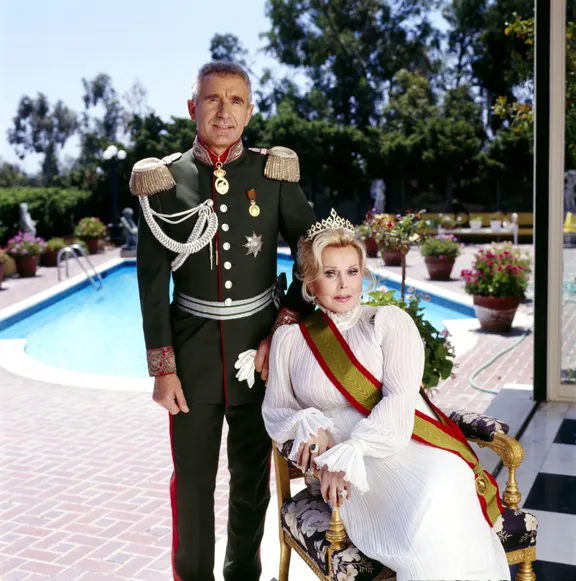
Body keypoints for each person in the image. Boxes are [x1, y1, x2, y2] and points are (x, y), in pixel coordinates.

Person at [129, 61, 316, 581]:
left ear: (250, 110)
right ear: (193, 107)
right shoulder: (164, 179)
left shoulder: (271, 173)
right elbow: (150, 281)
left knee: (251, 480)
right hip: (190, 358)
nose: (224, 110)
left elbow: (314, 249)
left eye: (236, 100)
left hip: (258, 355)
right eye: (213, 99)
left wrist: (287, 321)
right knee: (191, 482)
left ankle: (242, 576)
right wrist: (162, 367)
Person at [259, 211, 511, 581]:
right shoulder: (290, 340)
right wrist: (308, 429)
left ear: (364, 273)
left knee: (440, 487)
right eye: (330, 273)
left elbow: (400, 400)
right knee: (423, 527)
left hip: (403, 445)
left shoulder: (387, 322)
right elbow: (277, 410)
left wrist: (351, 452)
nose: (344, 284)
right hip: (356, 478)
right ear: (311, 283)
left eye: (352, 271)